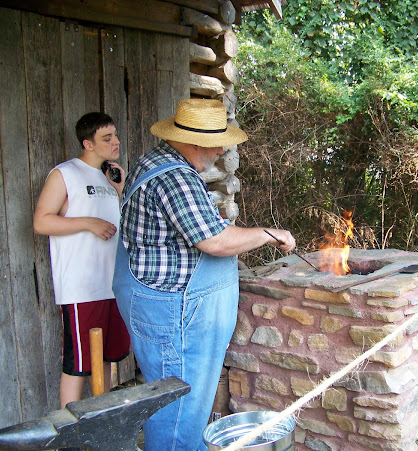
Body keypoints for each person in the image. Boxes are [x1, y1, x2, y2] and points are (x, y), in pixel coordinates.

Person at [113, 98, 296, 450]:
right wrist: (268, 234)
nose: (221, 150)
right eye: (218, 143)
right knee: (179, 412)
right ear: (198, 141)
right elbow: (213, 240)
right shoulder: (175, 177)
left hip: (161, 302)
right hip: (173, 315)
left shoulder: (156, 160)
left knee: (178, 407)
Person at [33, 112, 131, 408]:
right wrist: (88, 222)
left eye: (115, 135)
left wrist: (121, 189)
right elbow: (41, 222)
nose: (115, 142)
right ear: (87, 143)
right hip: (81, 286)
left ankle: (103, 420)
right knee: (78, 362)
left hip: (112, 284)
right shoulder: (65, 173)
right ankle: (68, 430)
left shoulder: (108, 177)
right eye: (107, 138)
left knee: (104, 357)